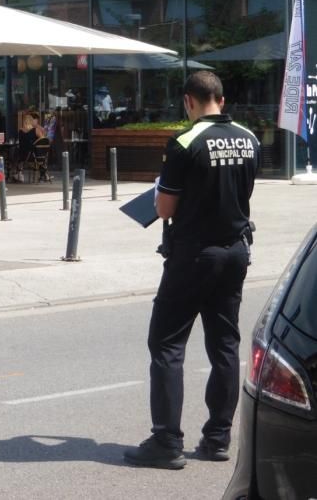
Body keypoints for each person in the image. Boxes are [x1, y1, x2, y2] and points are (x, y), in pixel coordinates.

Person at [124, 71, 260, 470]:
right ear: (222, 97)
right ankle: (218, 438)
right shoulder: (249, 138)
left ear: (189, 101)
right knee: (224, 344)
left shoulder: (185, 142)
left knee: (166, 344)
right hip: (235, 251)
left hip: (193, 254)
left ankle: (166, 441)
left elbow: (165, 208)